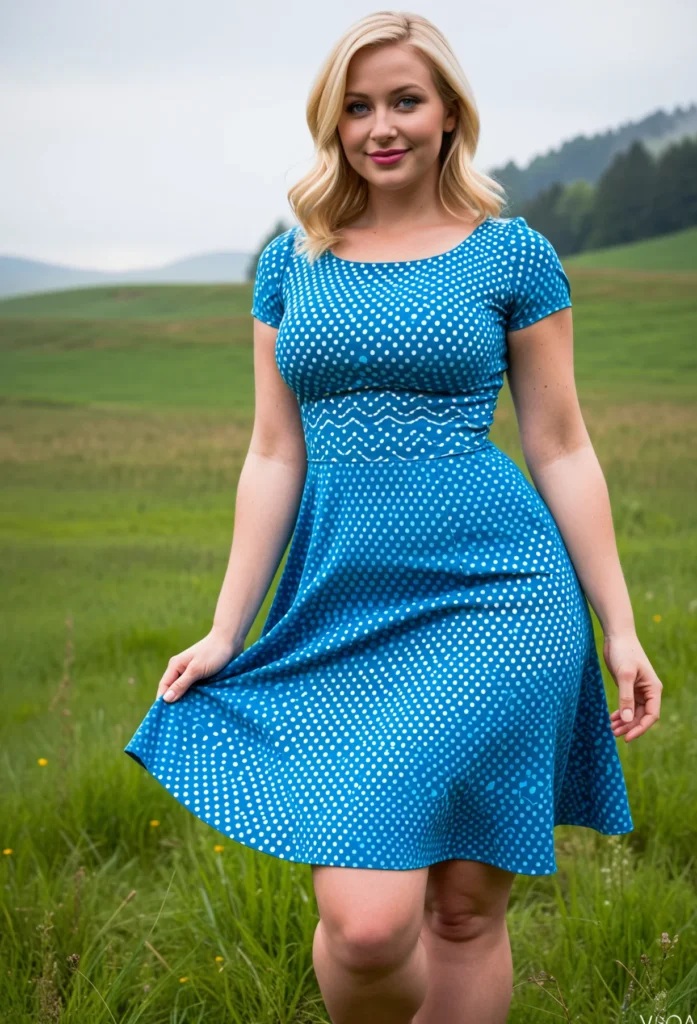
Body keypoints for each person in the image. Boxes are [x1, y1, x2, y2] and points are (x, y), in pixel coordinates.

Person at [124, 11, 663, 1023]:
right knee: (367, 927)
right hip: (338, 607)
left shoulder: (511, 256)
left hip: (499, 601)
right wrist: (226, 628)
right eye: (357, 106)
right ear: (331, 122)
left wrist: (619, 624)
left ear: (448, 112)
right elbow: (274, 451)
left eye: (404, 101)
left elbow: (560, 443)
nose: (380, 126)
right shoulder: (293, 264)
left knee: (461, 911)